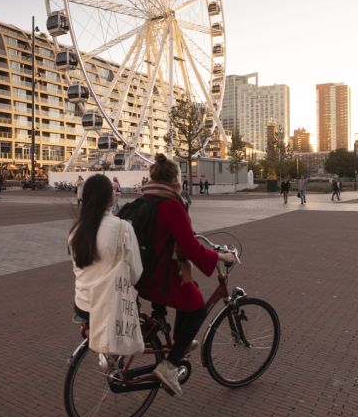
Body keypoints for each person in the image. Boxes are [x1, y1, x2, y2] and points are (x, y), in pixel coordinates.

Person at [134, 154, 235, 396]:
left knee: (191, 289)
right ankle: (170, 366)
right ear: (175, 180)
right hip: (161, 278)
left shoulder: (143, 201)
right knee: (198, 307)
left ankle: (180, 340)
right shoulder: (171, 204)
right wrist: (219, 257)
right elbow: (189, 248)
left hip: (142, 277)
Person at [69, 175, 144, 359]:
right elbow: (136, 273)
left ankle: (95, 337)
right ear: (110, 198)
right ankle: (114, 350)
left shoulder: (75, 231)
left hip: (82, 303)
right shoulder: (122, 228)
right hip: (109, 305)